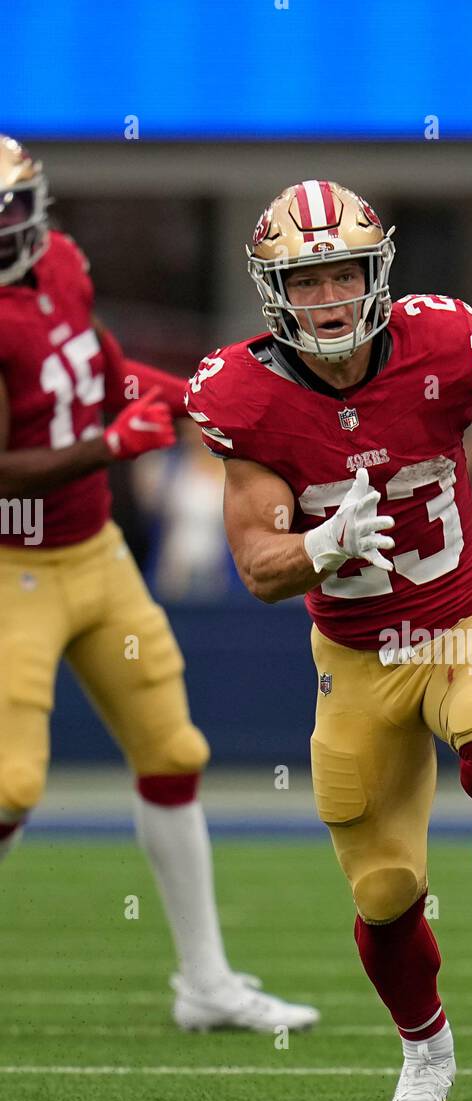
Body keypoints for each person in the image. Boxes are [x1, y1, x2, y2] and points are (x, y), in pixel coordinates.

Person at [187, 179, 472, 1101]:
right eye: (306, 283)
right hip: (354, 658)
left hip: (465, 620)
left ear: (376, 271)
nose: (330, 298)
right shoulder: (247, 396)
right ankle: (425, 1053)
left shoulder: (439, 342)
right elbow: (258, 567)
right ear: (275, 294)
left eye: (343, 273)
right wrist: (321, 545)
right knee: (387, 894)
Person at [0, 136, 318, 1034]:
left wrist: (192, 400)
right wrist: (111, 446)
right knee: (12, 785)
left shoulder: (58, 265)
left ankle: (206, 984)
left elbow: (96, 372)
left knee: (173, 752)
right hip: (10, 565)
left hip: (91, 551)